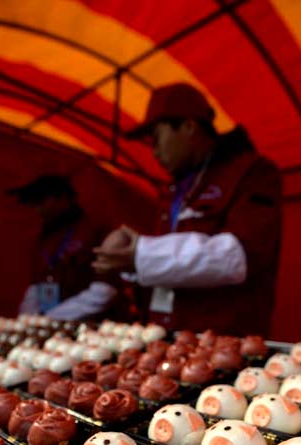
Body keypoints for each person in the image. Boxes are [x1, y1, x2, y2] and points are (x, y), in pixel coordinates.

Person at [93, 82, 282, 336]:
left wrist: (141, 254)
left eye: (157, 138)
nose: (154, 151)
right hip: (167, 336)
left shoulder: (251, 172)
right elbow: (172, 261)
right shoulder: (173, 189)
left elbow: (240, 256)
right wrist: (131, 264)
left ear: (188, 126)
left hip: (223, 344)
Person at [10, 174, 117, 319]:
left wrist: (52, 317)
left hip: (94, 326)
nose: (38, 210)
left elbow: (105, 290)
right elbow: (36, 286)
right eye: (34, 205)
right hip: (51, 327)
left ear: (63, 198)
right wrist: (28, 318)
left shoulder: (96, 230)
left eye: (42, 202)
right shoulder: (42, 239)